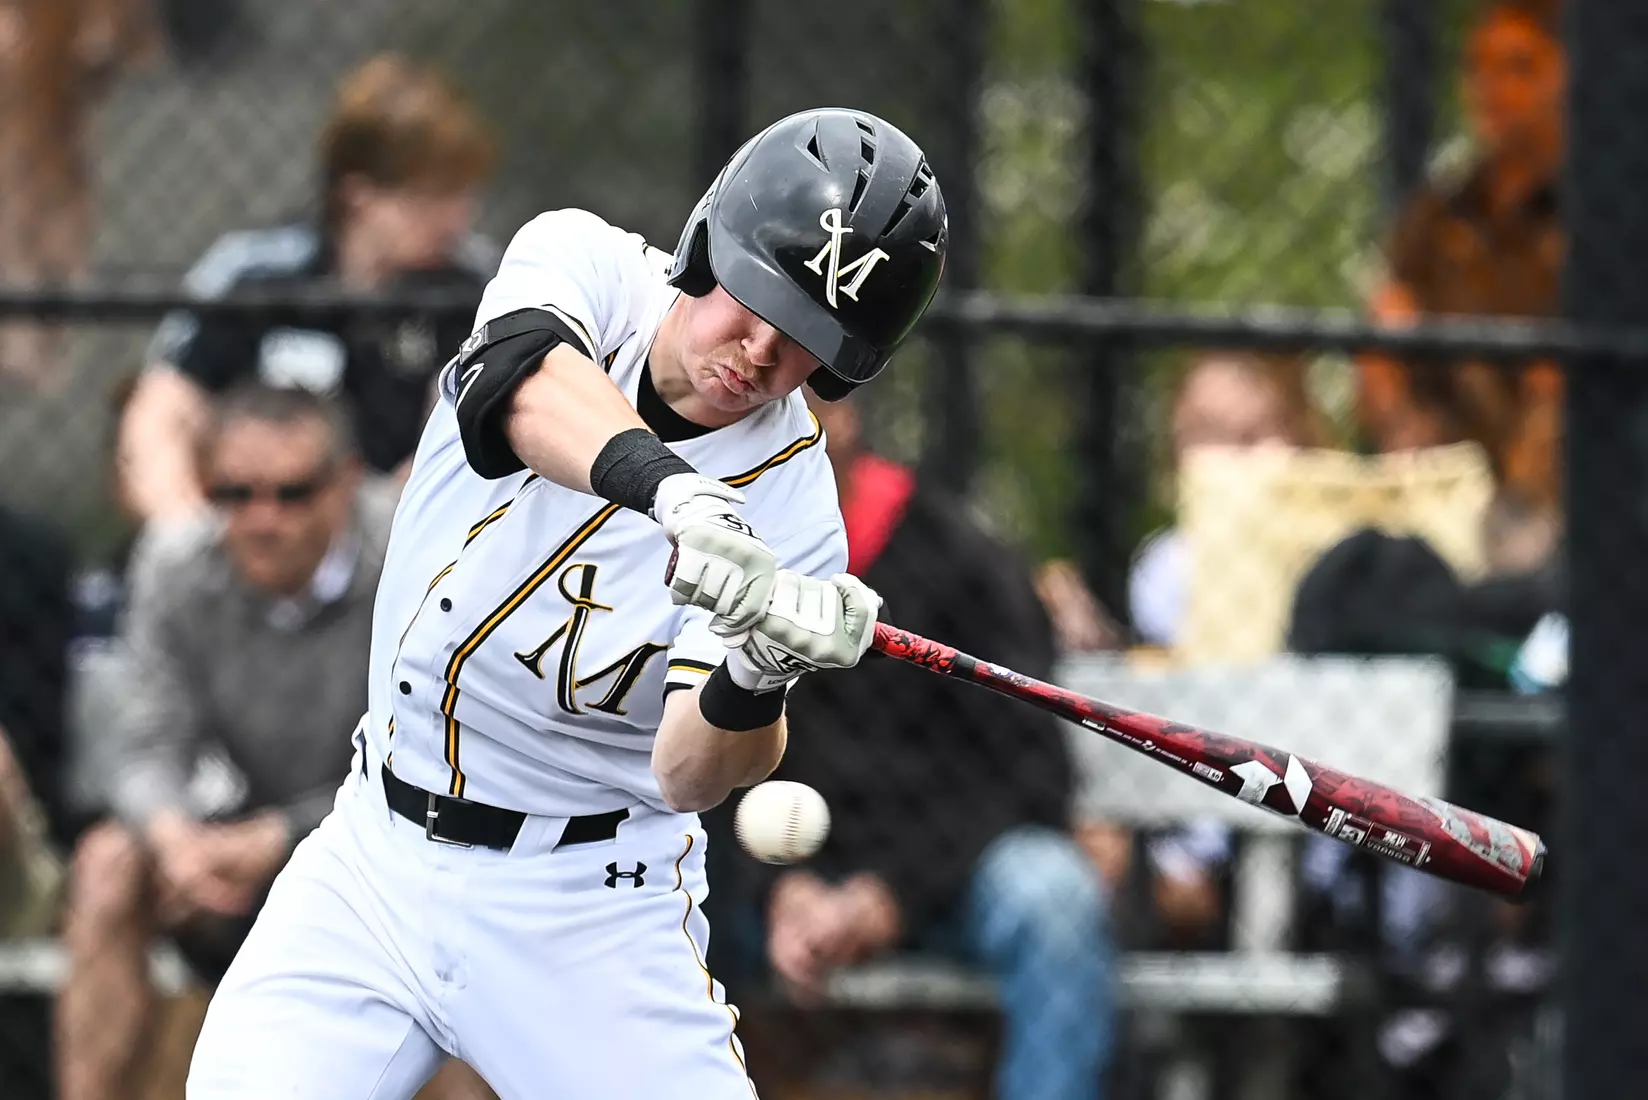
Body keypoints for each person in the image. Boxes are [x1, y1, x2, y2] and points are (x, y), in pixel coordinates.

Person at [182, 107, 948, 1100]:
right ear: (709, 245)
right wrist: (673, 491)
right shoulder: (584, 261)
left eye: (805, 336)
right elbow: (517, 385)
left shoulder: (795, 506)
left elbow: (687, 770)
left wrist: (760, 668)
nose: (758, 348)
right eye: (751, 297)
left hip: (585, 908)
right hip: (371, 856)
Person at [757, 390, 1115, 1100]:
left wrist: (889, 896)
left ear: (844, 417)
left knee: (1054, 899)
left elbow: (1028, 776)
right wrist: (779, 890)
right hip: (780, 887)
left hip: (953, 874)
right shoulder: (719, 564)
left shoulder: (960, 560)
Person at [54, 384, 396, 1100]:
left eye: (290, 493)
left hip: (380, 844)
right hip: (226, 846)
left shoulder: (410, 563)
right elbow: (146, 742)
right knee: (107, 864)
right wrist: (174, 837)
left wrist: (281, 836)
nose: (261, 518)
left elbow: (423, 760)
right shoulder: (177, 564)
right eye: (234, 493)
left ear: (344, 484)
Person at [117, 52, 500, 521]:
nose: (457, 217)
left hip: (403, 549)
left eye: (463, 193)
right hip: (249, 537)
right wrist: (189, 530)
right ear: (360, 196)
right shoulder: (254, 276)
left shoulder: (483, 292)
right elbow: (160, 418)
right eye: (432, 196)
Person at [1360, 0, 1565, 510]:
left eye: (1519, 67)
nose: (1491, 88)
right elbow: (1392, 313)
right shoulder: (1441, 211)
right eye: (1477, 67)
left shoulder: (1597, 209)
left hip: (1558, 463)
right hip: (1447, 446)